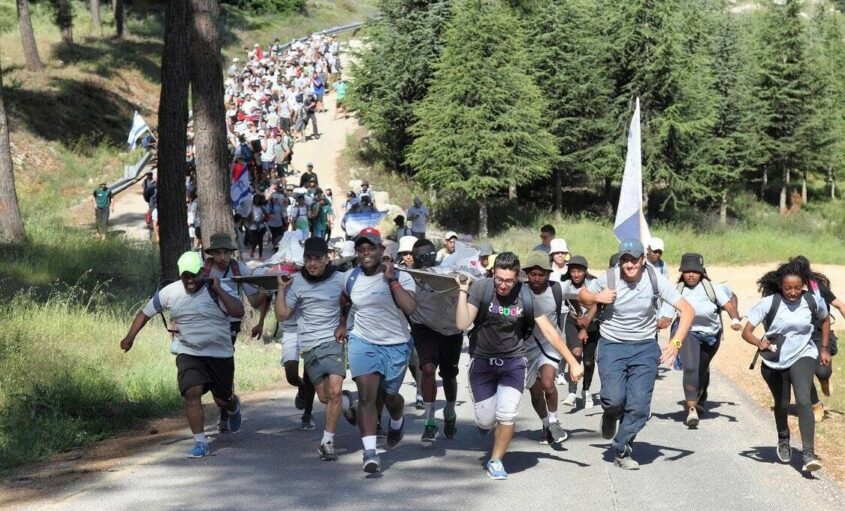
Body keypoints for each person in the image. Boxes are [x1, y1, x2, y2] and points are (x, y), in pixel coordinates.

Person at [455, 252, 593, 480]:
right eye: (499, 279)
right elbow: (462, 323)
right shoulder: (481, 288)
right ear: (493, 274)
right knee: (486, 420)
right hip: (482, 361)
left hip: (513, 362)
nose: (503, 285)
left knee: (507, 414)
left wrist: (571, 362)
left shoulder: (526, 295)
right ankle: (488, 424)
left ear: (518, 278)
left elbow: (550, 331)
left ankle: (496, 460)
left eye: (509, 281)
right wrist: (462, 291)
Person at [579, 239, 694, 470]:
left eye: (634, 259)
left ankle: (622, 448)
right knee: (612, 399)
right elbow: (582, 295)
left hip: (644, 347)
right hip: (613, 344)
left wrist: (676, 342)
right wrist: (597, 298)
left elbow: (688, 310)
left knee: (639, 407)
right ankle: (610, 414)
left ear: (643, 260)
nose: (629, 264)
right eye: (625, 259)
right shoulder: (610, 278)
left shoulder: (655, 280)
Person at [120, 251, 244, 458]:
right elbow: (145, 313)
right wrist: (130, 337)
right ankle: (200, 442)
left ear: (202, 272)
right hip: (190, 352)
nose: (190, 280)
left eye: (194, 275)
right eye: (185, 275)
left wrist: (220, 291)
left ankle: (232, 405)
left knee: (222, 400)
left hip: (219, 353)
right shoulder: (170, 292)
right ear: (180, 274)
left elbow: (238, 311)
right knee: (191, 393)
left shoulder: (216, 289)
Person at [336, 228, 417, 473]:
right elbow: (345, 300)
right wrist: (342, 324)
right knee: (366, 397)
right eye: (361, 250)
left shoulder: (402, 276)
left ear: (382, 250)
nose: (366, 253)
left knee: (390, 397)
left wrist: (391, 280)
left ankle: (396, 419)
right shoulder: (350, 277)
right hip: (363, 341)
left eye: (370, 248)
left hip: (396, 344)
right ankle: (370, 453)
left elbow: (410, 308)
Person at [742, 260, 830, 473]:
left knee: (803, 399)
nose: (793, 292)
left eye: (797, 288)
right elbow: (746, 332)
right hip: (775, 358)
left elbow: (825, 320)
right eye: (788, 288)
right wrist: (759, 342)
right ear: (780, 286)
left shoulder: (812, 300)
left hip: (803, 353)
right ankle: (783, 437)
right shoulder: (769, 302)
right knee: (781, 404)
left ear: (804, 286)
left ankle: (808, 453)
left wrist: (824, 348)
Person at [275, 237, 355, 461]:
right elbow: (282, 315)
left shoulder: (341, 279)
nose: (313, 263)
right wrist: (281, 289)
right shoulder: (296, 282)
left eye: (317, 258)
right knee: (324, 397)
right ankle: (347, 403)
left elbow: (355, 300)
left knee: (335, 391)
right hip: (308, 345)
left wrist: (343, 324)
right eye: (308, 259)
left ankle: (327, 442)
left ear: (327, 258)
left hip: (333, 341)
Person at [657, 253, 742, 427]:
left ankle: (700, 395)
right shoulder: (676, 290)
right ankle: (691, 409)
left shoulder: (712, 288)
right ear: (682, 272)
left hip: (711, 335)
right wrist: (661, 322)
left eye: (695, 271)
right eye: (687, 271)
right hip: (688, 333)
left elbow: (729, 306)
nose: (690, 275)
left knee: (701, 370)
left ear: (701, 272)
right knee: (690, 367)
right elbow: (666, 316)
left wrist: (734, 319)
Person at [521, 251, 584, 446]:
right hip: (526, 347)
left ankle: (554, 420)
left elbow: (580, 296)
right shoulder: (520, 291)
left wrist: (583, 321)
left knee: (548, 382)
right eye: (533, 274)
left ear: (548, 274)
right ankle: (545, 423)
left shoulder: (557, 289)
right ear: (527, 274)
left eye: (541, 274)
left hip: (551, 343)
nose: (537, 278)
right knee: (535, 391)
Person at [407, 239, 464, 443]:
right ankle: (430, 422)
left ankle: (449, 412)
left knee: (449, 376)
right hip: (424, 328)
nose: (425, 259)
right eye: (420, 256)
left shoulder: (447, 273)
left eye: (429, 255)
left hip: (450, 330)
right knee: (428, 370)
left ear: (435, 256)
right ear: (413, 258)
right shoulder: (408, 276)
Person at [791, 256, 844, 421]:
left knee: (822, 370)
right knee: (802, 373)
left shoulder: (818, 288)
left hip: (820, 334)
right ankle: (815, 404)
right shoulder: (788, 289)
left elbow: (840, 305)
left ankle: (824, 378)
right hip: (799, 336)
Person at [560, 256, 601, 408]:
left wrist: (585, 328)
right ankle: (571, 392)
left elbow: (597, 307)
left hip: (591, 324)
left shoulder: (594, 284)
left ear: (585, 271)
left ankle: (586, 390)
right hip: (572, 322)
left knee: (589, 361)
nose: (576, 274)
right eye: (573, 271)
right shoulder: (565, 285)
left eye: (579, 271)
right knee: (576, 353)